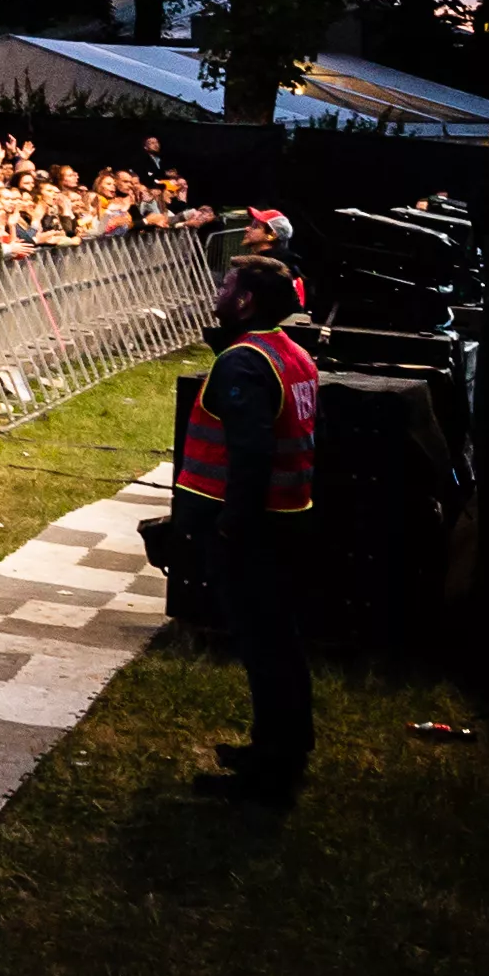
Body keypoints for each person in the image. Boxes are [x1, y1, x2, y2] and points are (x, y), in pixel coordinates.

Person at [178, 255, 321, 800]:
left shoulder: (243, 362)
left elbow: (252, 452)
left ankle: (272, 770)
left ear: (245, 301)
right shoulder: (292, 353)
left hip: (250, 528)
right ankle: (280, 747)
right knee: (279, 641)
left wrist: (231, 527)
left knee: (265, 646)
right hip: (286, 517)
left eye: (226, 285)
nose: (217, 291)